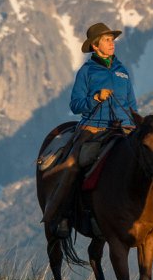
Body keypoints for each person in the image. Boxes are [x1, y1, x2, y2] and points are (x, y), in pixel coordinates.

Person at [39, 21, 139, 236]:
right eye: (107, 40)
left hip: (124, 128)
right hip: (93, 128)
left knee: (150, 157)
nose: (112, 43)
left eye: (112, 40)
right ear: (95, 46)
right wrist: (95, 98)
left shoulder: (123, 71)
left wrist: (135, 125)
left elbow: (132, 104)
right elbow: (75, 105)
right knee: (75, 164)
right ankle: (62, 215)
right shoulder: (86, 71)